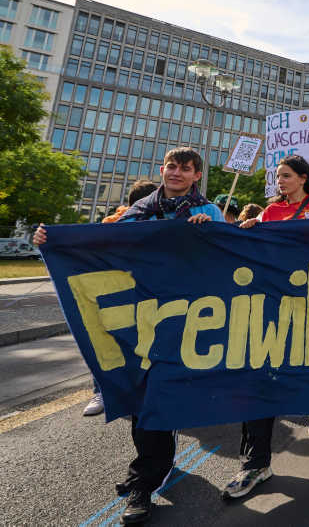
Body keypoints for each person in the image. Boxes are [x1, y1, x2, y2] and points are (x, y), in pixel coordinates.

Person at [34, 147, 225, 524]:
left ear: (196, 176)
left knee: (160, 396)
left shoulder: (210, 213)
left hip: (185, 319)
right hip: (138, 319)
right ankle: (149, 474)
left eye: (186, 169)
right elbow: (97, 249)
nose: (176, 173)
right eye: (172, 166)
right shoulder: (133, 214)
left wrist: (213, 234)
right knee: (141, 397)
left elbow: (228, 256)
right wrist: (50, 241)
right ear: (162, 169)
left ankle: (144, 480)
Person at [229, 155, 309, 499]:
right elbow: (258, 248)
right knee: (261, 372)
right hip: (273, 303)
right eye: (278, 176)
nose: (280, 181)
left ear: (303, 178)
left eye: (286, 176)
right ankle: (255, 463)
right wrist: (248, 231)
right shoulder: (270, 212)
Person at [81, 179, 159, 418]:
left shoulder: (162, 223)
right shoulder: (113, 224)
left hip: (148, 295)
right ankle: (104, 390)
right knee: (110, 340)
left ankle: (136, 390)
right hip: (118, 293)